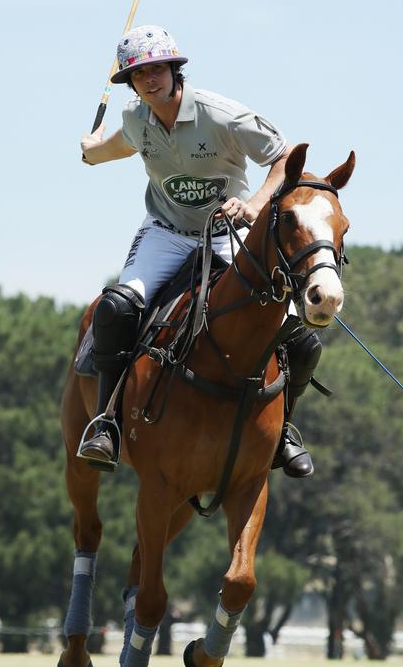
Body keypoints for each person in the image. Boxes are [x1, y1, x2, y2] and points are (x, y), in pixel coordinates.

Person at [79, 25, 321, 476]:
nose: (149, 80)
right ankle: (107, 423)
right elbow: (117, 146)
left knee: (299, 337)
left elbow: (285, 156)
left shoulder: (222, 115)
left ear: (175, 70)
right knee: (115, 308)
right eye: (139, 74)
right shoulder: (136, 118)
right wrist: (92, 152)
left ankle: (284, 427)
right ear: (130, 83)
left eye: (156, 70)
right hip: (166, 233)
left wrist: (252, 205)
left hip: (227, 234)